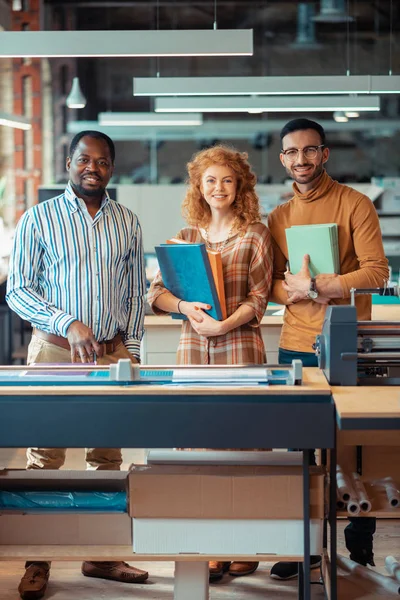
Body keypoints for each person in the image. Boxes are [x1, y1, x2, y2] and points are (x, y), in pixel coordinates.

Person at [6, 130, 148, 599]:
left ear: (112, 167)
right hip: (55, 350)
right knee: (46, 453)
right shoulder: (38, 218)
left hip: (112, 351)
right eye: (84, 159)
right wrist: (67, 322)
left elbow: (133, 293)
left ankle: (102, 552)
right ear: (68, 163)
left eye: (103, 161)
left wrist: (133, 351)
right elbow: (18, 290)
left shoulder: (127, 221)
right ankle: (38, 558)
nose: (93, 167)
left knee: (107, 455)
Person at [267, 118, 389, 581]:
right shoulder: (277, 217)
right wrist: (293, 292)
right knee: (298, 452)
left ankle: (360, 554)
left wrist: (319, 284)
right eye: (292, 152)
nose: (301, 160)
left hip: (348, 344)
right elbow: (273, 285)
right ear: (282, 158)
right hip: (295, 346)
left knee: (355, 452)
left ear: (325, 154)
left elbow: (377, 272)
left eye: (309, 150)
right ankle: (302, 549)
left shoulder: (355, 204)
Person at [147, 145, 273, 580]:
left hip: (239, 350)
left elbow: (259, 298)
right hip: (193, 352)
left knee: (241, 445)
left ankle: (246, 541)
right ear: (199, 187)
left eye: (227, 180)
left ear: (239, 187)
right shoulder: (185, 238)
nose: (218, 188)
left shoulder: (256, 233)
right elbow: (157, 294)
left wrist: (223, 326)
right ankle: (211, 542)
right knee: (198, 446)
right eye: (210, 181)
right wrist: (185, 307)